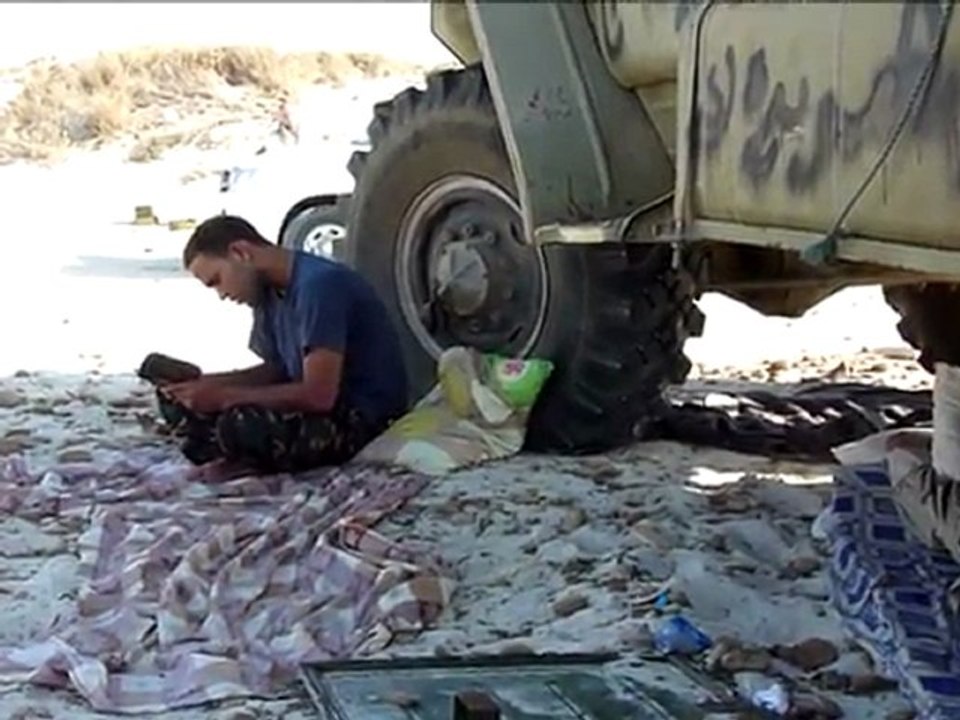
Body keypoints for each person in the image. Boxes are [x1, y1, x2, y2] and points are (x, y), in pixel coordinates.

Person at [141, 214, 408, 474]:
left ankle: (239, 455)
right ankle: (234, 451)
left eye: (217, 281)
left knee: (240, 422)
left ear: (240, 253)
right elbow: (276, 370)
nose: (222, 295)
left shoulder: (320, 286)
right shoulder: (267, 292)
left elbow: (319, 396)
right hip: (315, 407)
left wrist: (224, 398)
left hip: (359, 418)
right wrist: (206, 386)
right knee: (180, 402)